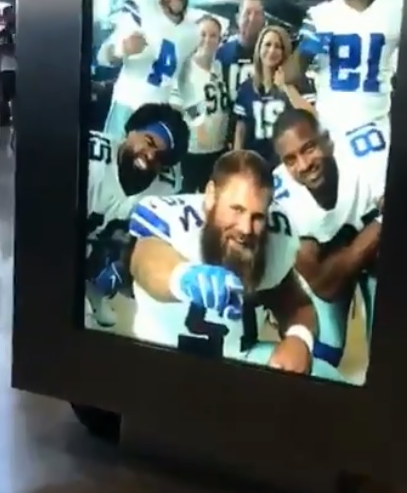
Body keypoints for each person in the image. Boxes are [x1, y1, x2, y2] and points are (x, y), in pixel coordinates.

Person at [100, 150, 343, 379]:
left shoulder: (275, 237)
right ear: (211, 196)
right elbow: (144, 261)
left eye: (257, 216)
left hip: (239, 360)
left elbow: (297, 305)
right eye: (236, 209)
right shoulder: (173, 218)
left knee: (326, 377)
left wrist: (299, 339)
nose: (246, 228)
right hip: (162, 364)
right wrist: (184, 277)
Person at [269, 108, 387, 372]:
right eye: (290, 159)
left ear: (327, 140)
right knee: (323, 353)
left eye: (309, 148)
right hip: (336, 274)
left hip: (375, 260)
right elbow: (326, 285)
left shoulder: (366, 152)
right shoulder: (281, 204)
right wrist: (376, 228)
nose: (303, 165)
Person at [85, 103, 189, 327]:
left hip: (101, 246)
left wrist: (124, 266)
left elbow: (153, 241)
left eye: (161, 156)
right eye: (149, 142)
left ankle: (94, 289)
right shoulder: (92, 156)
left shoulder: (166, 186)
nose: (151, 155)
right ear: (131, 130)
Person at [297, 0, 403, 138]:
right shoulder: (321, 15)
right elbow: (293, 72)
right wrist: (310, 46)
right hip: (331, 127)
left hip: (376, 124)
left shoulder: (396, 8)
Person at [97, 0, 205, 138]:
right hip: (127, 105)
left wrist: (196, 116)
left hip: (158, 114)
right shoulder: (143, 9)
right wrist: (121, 49)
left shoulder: (192, 33)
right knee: (114, 160)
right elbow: (102, 56)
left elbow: (184, 77)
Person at [233, 26, 316, 165]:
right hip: (255, 163)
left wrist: (286, 87)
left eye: (278, 46)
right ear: (259, 48)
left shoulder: (299, 83)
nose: (272, 50)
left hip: (288, 164)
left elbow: (312, 116)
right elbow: (241, 129)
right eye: (267, 44)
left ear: (285, 51)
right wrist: (236, 160)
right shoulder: (247, 87)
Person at [173, 16, 231, 192]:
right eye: (202, 34)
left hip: (218, 148)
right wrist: (198, 124)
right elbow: (180, 102)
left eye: (213, 35)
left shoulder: (219, 67)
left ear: (219, 40)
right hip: (193, 150)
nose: (207, 40)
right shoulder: (185, 68)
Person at [216, 0, 266, 98]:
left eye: (257, 14)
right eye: (247, 13)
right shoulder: (222, 53)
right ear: (238, 18)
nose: (252, 18)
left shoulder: (272, 52)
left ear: (264, 19)